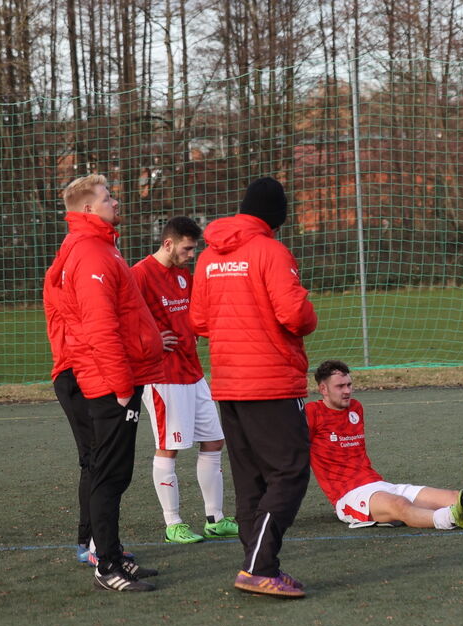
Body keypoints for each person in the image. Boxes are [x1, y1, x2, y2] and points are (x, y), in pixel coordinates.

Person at [190, 177, 318, 599]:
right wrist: (307, 306)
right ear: (276, 216)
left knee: (251, 482)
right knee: (290, 470)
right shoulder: (272, 251)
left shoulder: (208, 256)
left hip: (228, 382)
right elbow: (295, 316)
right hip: (271, 382)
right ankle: (258, 566)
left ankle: (259, 566)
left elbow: (199, 321)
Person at [44, 174, 165, 591]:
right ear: (88, 209)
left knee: (112, 471)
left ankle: (111, 555)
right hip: (108, 381)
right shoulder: (91, 254)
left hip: (112, 377)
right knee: (107, 473)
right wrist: (121, 386)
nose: (116, 200)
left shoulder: (101, 247)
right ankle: (106, 566)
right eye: (107, 196)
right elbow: (100, 328)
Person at [308, 360, 463, 529]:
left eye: (349, 384)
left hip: (378, 483)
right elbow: (291, 450)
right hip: (348, 495)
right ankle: (449, 520)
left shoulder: (356, 408)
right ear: (323, 389)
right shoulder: (311, 413)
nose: (347, 391)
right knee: (398, 505)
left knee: (453, 496)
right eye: (340, 386)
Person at [131, 216, 237, 545]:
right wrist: (148, 341)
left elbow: (188, 312)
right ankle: (173, 522)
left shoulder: (182, 274)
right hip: (162, 375)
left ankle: (215, 518)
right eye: (187, 249)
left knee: (214, 441)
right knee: (170, 448)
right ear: (168, 244)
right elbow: (122, 316)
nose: (191, 254)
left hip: (192, 371)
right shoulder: (139, 274)